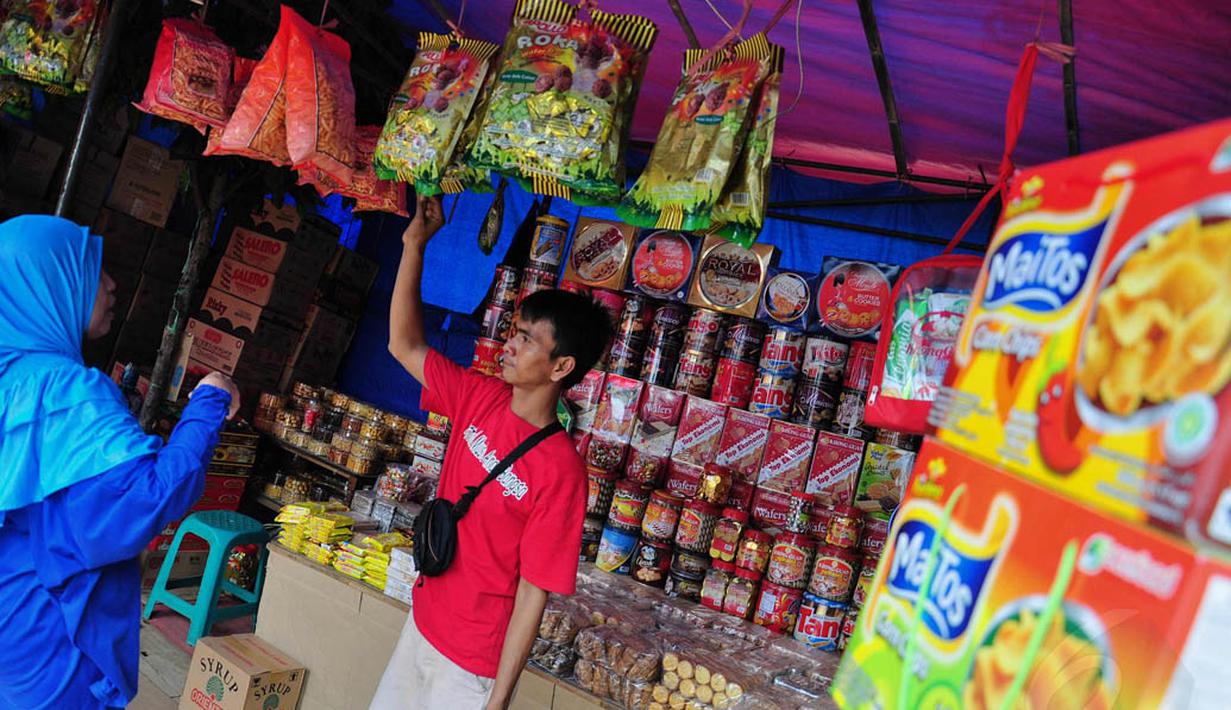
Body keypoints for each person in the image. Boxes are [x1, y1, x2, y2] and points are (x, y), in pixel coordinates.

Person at [371, 196, 612, 709]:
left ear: (561, 366)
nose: (508, 345)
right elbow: (403, 345)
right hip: (422, 621)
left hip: (472, 665)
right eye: (514, 333)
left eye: (526, 340)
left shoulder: (561, 471)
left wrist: (498, 699)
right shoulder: (479, 396)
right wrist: (414, 245)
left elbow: (533, 591)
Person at [0, 215, 240, 709]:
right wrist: (209, 402)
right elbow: (149, 495)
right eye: (93, 271)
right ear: (52, 282)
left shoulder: (11, 378)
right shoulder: (65, 389)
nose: (112, 284)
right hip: (56, 635)